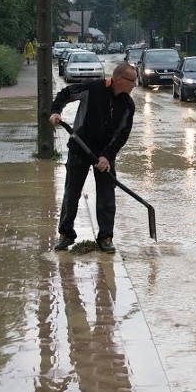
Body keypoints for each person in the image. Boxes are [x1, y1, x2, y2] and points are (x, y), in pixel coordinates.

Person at [48, 62, 138, 253]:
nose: (134, 85)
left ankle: (105, 237)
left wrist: (107, 156)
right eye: (133, 81)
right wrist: (56, 111)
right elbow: (66, 93)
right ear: (120, 79)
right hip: (80, 149)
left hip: (104, 155)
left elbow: (122, 134)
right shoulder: (93, 88)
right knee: (72, 192)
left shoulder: (127, 104)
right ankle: (66, 234)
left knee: (107, 195)